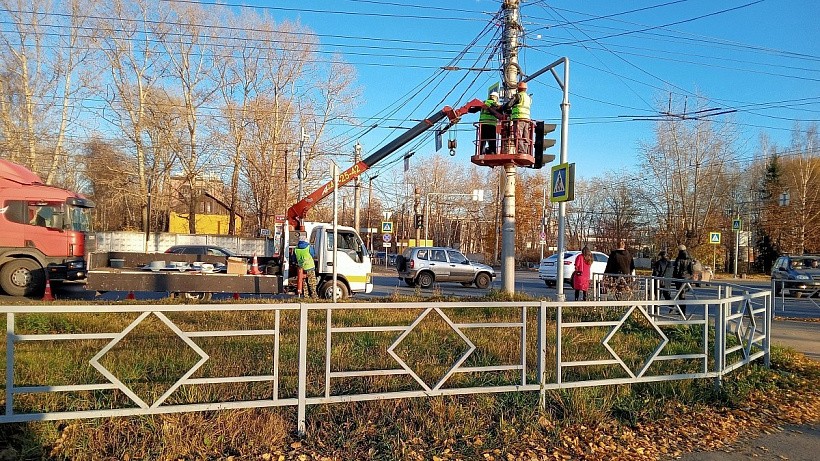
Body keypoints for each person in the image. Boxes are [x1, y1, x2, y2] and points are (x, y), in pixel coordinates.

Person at [502, 80, 532, 156]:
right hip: (527, 120)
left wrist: (503, 107)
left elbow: (509, 105)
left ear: (518, 89)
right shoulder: (528, 98)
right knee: (525, 136)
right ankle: (525, 151)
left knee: (517, 135)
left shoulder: (518, 96)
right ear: (525, 89)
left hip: (519, 119)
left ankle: (520, 151)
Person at [294, 235, 317, 300]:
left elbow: (294, 259)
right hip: (310, 267)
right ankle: (314, 297)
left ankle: (306, 297)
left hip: (301, 268)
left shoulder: (296, 249)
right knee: (312, 283)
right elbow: (313, 254)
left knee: (304, 283)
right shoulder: (308, 247)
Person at [673, 245, 695, 312]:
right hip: (687, 278)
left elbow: (677, 269)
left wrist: (674, 277)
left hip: (680, 277)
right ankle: (682, 309)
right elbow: (691, 270)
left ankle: (681, 310)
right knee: (683, 293)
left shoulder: (679, 259)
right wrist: (690, 276)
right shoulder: (689, 259)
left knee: (680, 293)